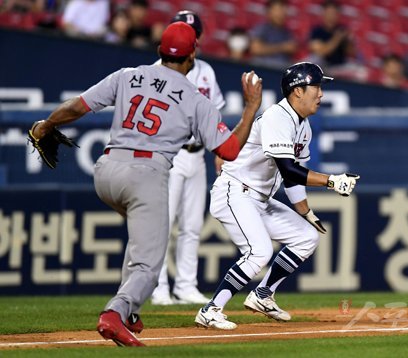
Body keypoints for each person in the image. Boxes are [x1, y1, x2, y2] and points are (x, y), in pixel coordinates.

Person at [28, 22, 262, 346]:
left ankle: (131, 312)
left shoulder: (127, 75)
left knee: (141, 242)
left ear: (159, 51)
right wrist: (251, 107)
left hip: (106, 171)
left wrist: (46, 125)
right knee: (149, 266)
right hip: (146, 175)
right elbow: (229, 150)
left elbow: (78, 106)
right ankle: (114, 314)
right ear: (193, 54)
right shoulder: (195, 98)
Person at [194, 62, 360, 330]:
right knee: (258, 251)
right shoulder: (277, 117)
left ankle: (262, 295)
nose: (321, 94)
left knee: (306, 237)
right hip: (234, 190)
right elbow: (288, 167)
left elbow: (292, 177)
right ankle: (211, 309)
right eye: (316, 87)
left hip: (258, 199)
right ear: (297, 92)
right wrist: (330, 181)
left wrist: (305, 211)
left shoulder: (303, 127)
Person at [151, 10, 227, 306]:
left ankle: (185, 284)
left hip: (197, 154)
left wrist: (219, 149)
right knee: (162, 224)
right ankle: (156, 286)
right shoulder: (156, 69)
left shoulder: (206, 71)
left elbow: (216, 111)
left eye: (193, 33)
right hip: (169, 154)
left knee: (192, 224)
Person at [249, 0, 297, 68]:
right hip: (263, 69)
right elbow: (255, 49)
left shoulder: (287, 33)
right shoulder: (262, 28)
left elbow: (292, 49)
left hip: (281, 71)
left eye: (283, 9)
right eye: (277, 10)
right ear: (269, 12)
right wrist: (283, 47)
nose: (281, 13)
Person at [308, 0, 354, 68]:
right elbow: (322, 52)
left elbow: (351, 52)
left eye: (334, 12)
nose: (332, 15)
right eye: (329, 12)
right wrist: (337, 38)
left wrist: (348, 40)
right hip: (323, 66)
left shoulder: (342, 29)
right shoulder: (316, 31)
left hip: (339, 66)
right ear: (324, 12)